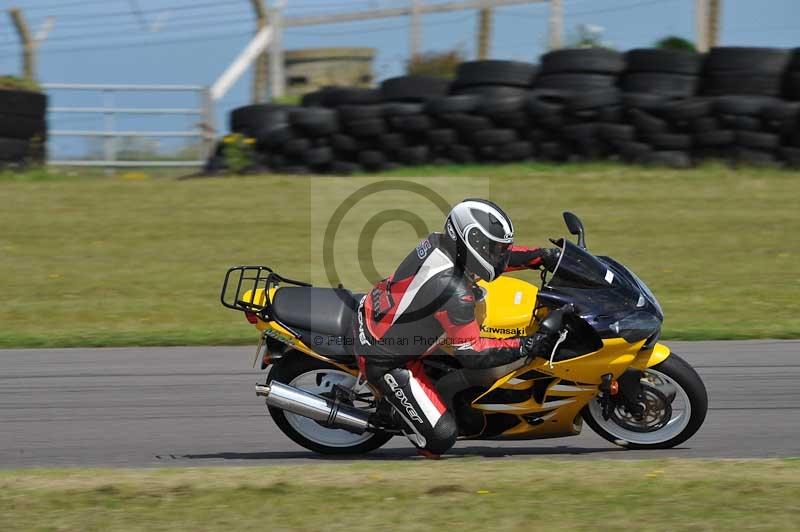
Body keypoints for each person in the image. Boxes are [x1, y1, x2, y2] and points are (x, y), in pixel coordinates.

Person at [352, 198, 560, 456]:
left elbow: (497, 259)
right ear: (471, 241)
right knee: (440, 440)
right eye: (493, 248)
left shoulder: (442, 242)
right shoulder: (452, 290)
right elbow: (473, 353)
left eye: (500, 248)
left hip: (379, 310)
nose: (499, 254)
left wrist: (541, 256)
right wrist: (527, 345)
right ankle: (397, 413)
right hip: (386, 359)